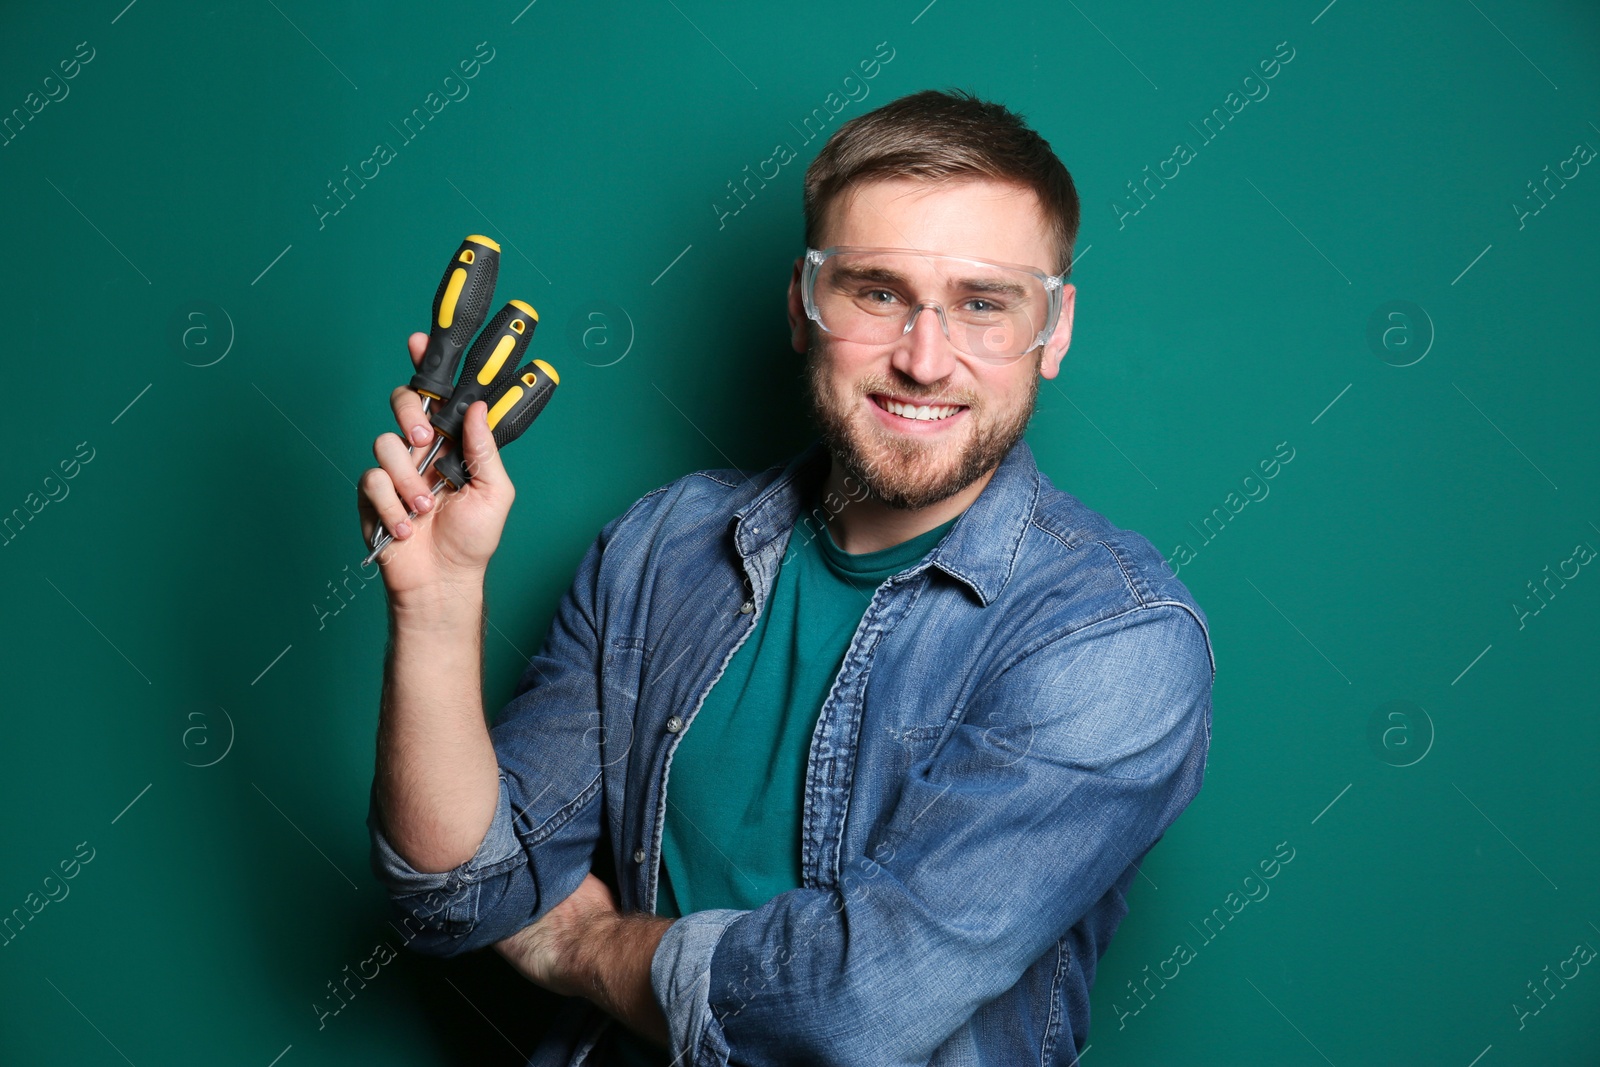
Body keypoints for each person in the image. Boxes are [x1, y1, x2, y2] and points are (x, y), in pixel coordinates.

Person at [357, 88, 1214, 1066]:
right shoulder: (658, 548)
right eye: (877, 291)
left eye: (984, 303)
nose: (923, 359)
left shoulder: (1115, 638)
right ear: (804, 306)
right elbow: (459, 891)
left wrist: (590, 945)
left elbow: (850, 1007)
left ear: (1052, 331)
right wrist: (436, 596)